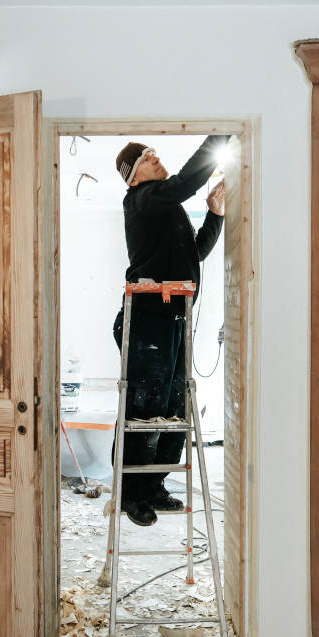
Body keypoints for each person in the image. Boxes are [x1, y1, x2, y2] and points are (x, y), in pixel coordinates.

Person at [111, 136, 228, 526]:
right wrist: (218, 139)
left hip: (173, 319)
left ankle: (155, 485)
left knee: (172, 407)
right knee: (144, 408)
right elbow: (183, 184)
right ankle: (131, 492)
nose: (155, 157)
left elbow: (195, 252)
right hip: (147, 318)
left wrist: (215, 214)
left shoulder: (164, 206)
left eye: (154, 152)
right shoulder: (143, 199)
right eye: (147, 157)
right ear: (132, 178)